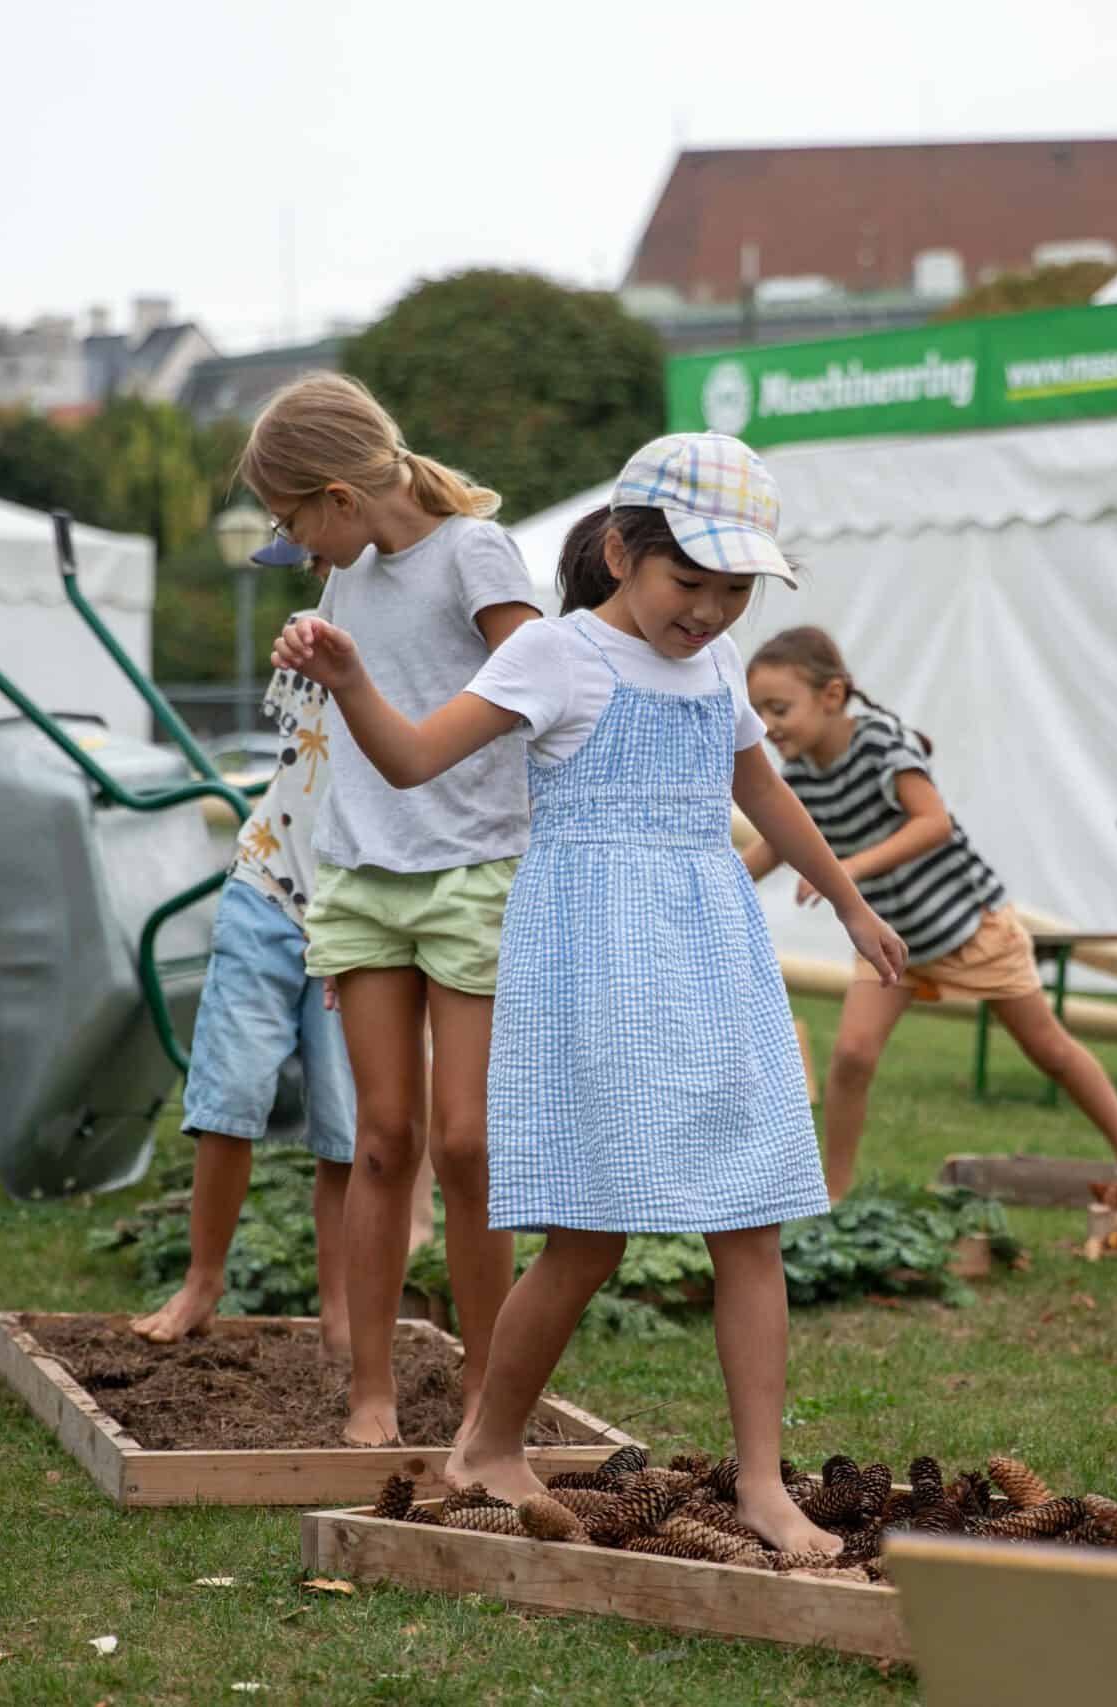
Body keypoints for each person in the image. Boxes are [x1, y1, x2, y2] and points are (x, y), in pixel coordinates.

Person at [274, 433, 906, 1557]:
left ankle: (763, 1481)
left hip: (711, 954)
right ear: (621, 551)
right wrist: (354, 682)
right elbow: (417, 760)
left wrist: (851, 905)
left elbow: (760, 791)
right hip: (596, 969)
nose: (711, 613)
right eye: (689, 583)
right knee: (588, 1236)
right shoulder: (556, 656)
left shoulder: (716, 670)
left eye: (733, 590)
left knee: (749, 1218)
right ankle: (486, 1440)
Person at [238, 373, 537, 1447]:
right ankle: (372, 1389)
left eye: (292, 522)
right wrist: (314, 655)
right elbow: (351, 716)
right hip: (364, 875)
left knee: (464, 1145)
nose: (298, 546)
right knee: (382, 1140)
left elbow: (531, 688)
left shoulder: (474, 555)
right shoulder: (347, 578)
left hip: (472, 871)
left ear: (337, 496)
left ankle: (484, 1399)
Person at [743, 624, 1117, 1229]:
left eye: (779, 708)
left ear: (832, 696)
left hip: (968, 925)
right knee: (854, 1056)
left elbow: (932, 824)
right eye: (759, 712)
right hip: (891, 941)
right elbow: (774, 843)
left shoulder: (882, 743)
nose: (769, 724)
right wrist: (717, 880)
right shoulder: (801, 774)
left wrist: (848, 868)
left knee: (1049, 1049)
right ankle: (832, 1197)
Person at [129, 556, 357, 1347]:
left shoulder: (436, 646)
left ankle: (340, 1310)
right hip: (266, 887)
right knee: (227, 1100)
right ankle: (203, 1282)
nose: (309, 564)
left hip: (363, 915)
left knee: (350, 1131)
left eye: (309, 546)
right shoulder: (315, 635)